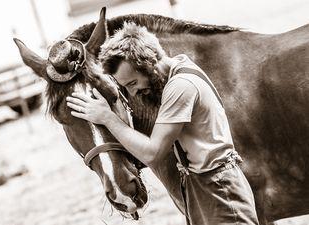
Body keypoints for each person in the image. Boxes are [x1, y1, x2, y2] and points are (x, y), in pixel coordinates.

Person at [66, 22, 259, 225]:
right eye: (126, 87)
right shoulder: (178, 69)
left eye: (132, 83)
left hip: (219, 190)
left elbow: (153, 153)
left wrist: (107, 117)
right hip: (204, 187)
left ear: (149, 63)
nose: (133, 93)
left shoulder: (181, 87)